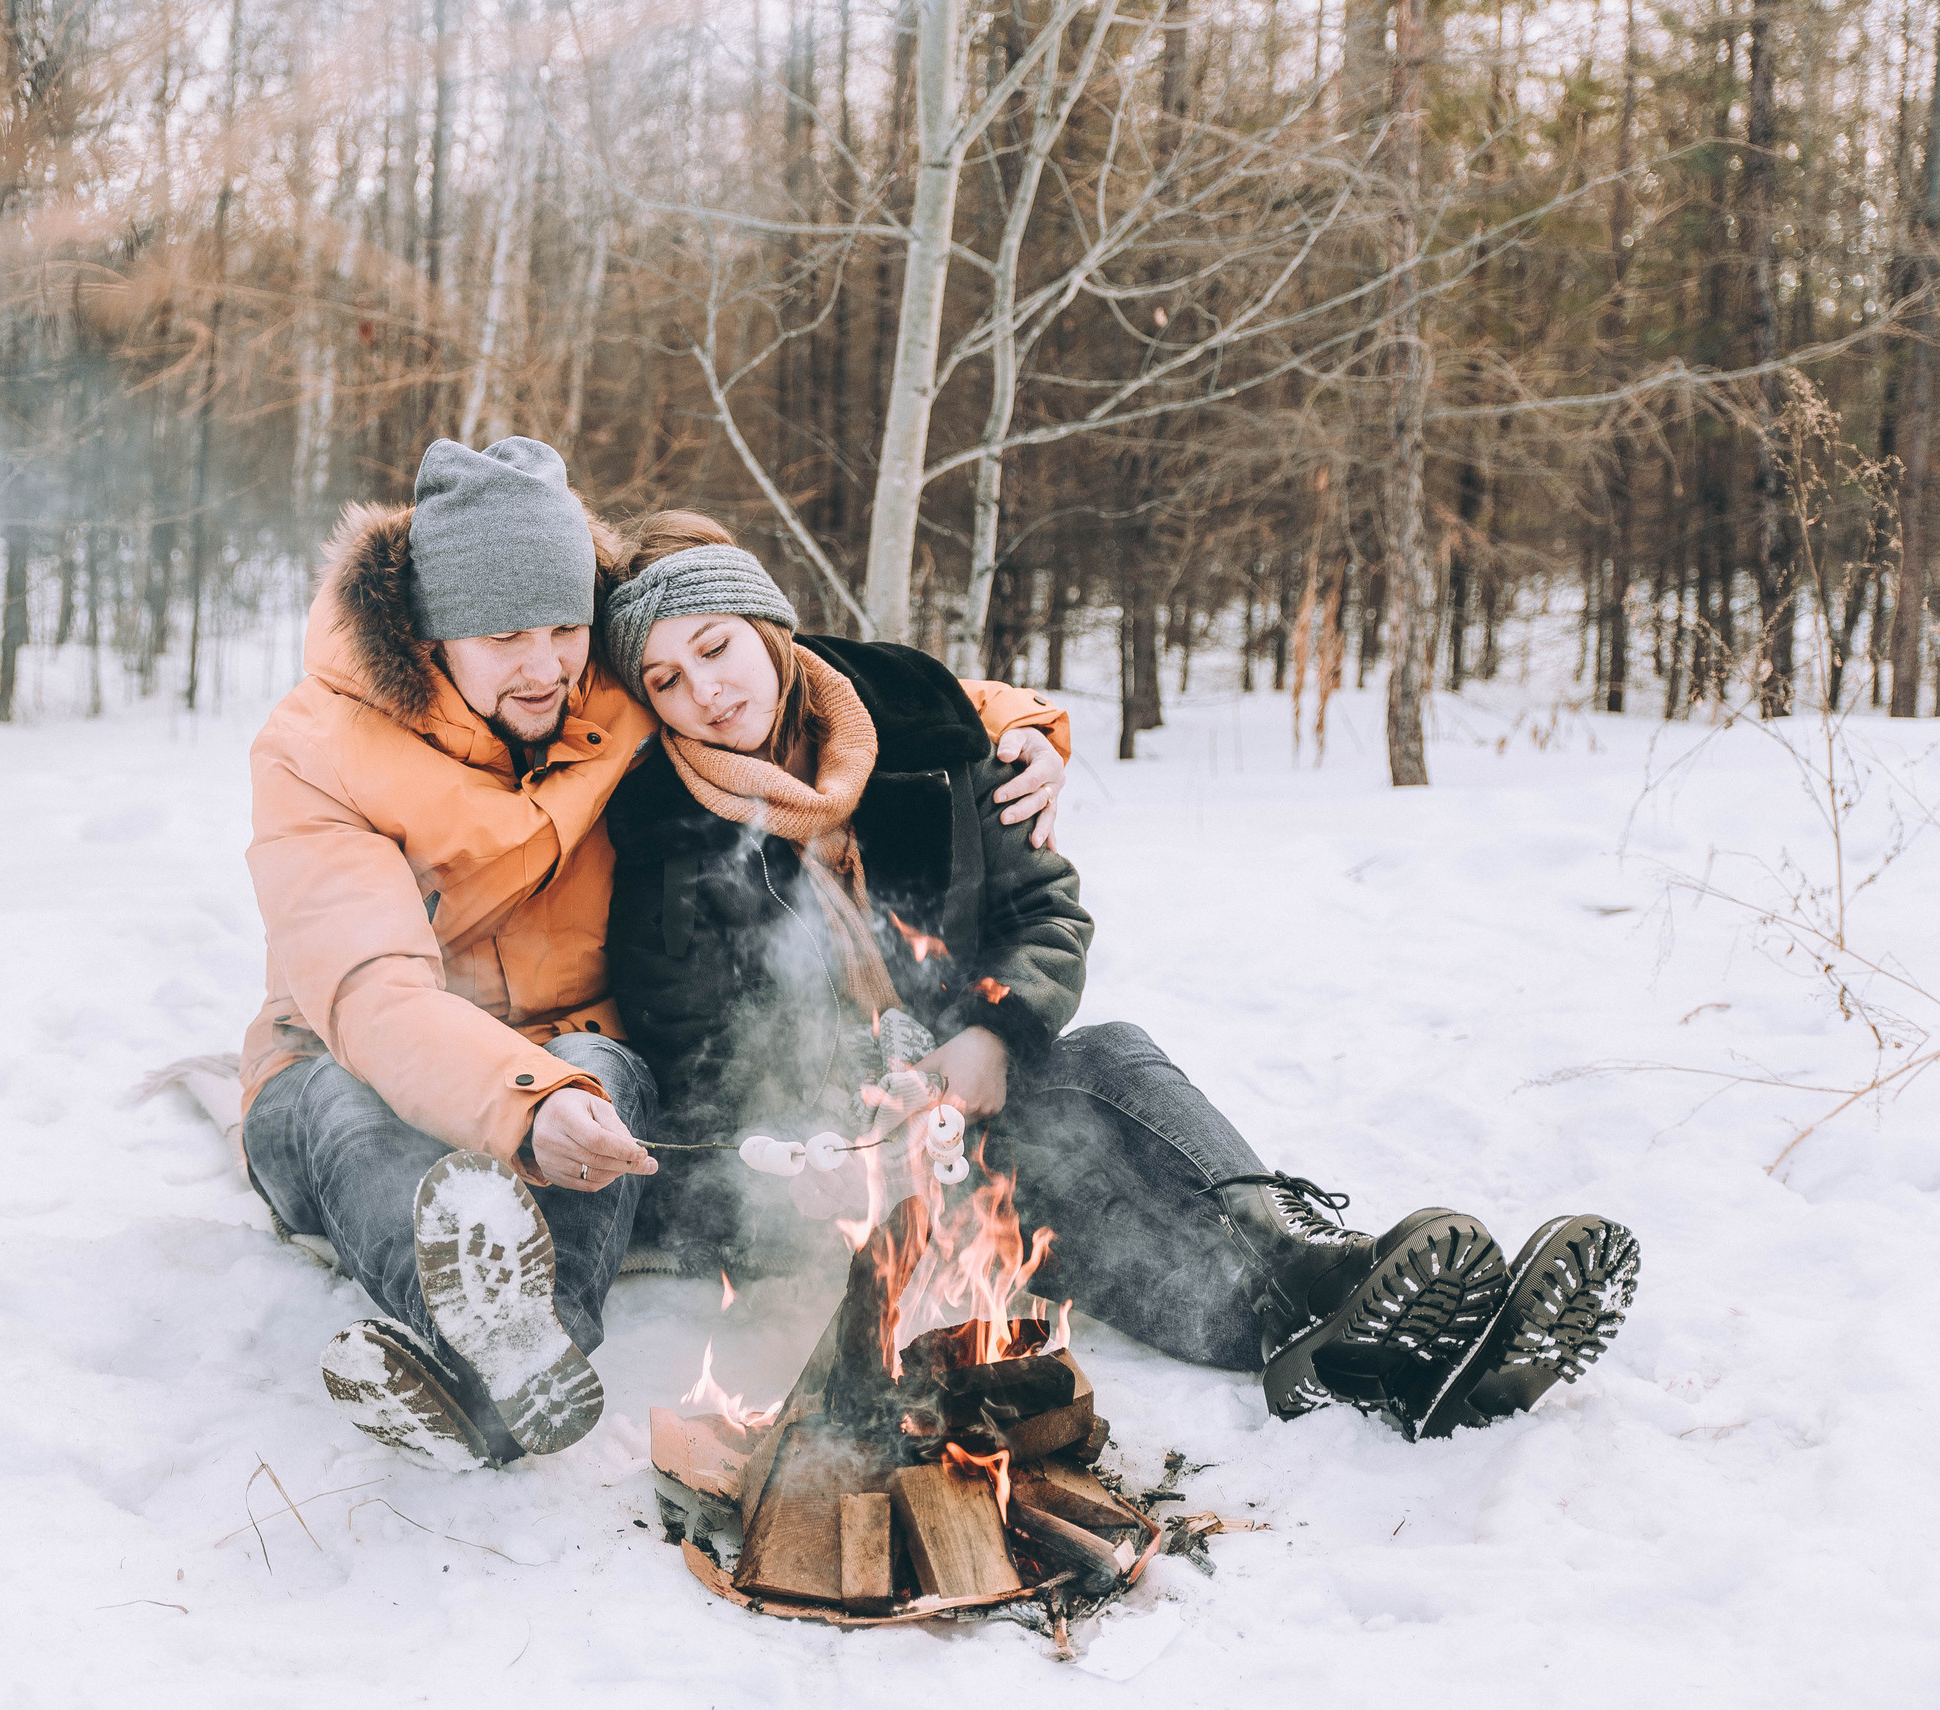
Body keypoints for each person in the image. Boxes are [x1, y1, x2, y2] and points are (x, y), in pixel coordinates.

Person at [599, 514, 1641, 1441]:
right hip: (831, 1171)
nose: (705, 693)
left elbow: (1041, 914)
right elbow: (694, 1053)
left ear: (766, 625)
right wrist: (815, 1140)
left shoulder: (925, 727)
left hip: (964, 1095)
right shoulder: (662, 832)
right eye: (664, 681)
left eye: (714, 648)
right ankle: (1342, 1322)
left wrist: (992, 1032)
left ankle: (1353, 1291)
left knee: (1102, 1063)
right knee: (1047, 1166)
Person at [239, 439, 1073, 1466]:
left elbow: (830, 678)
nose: (544, 665)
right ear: (430, 631)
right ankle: (475, 1352)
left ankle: (537, 1346)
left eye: (563, 628)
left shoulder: (618, 684)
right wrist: (520, 1101)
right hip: (352, 1054)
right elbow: (372, 997)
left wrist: (1023, 727)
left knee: (601, 1069)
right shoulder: (316, 753)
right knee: (348, 1101)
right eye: (504, 636)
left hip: (570, 1061)